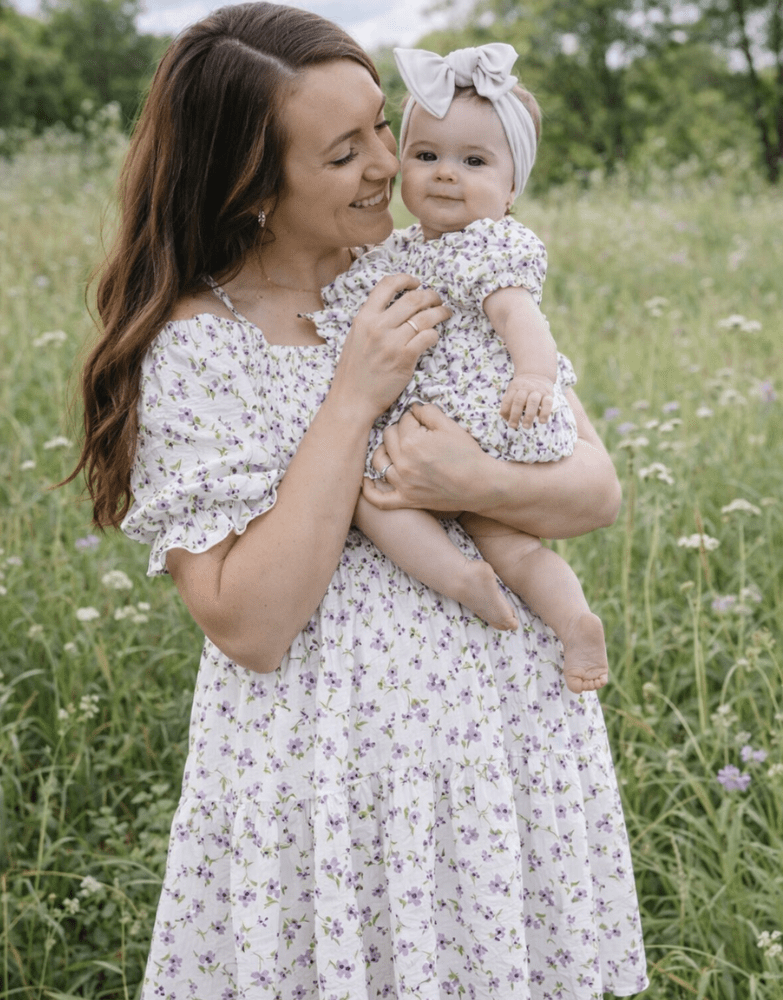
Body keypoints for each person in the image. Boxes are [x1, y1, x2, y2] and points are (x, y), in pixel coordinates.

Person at [67, 3, 649, 997]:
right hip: (331, 786)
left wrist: (473, 484)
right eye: (344, 152)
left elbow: (593, 490)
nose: (390, 162)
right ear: (250, 185)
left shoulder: (425, 274)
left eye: (383, 123)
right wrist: (353, 395)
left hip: (500, 749)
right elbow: (249, 625)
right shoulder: (201, 347)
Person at [310, 44, 608, 694]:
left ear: (510, 189)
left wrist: (534, 375)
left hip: (489, 411)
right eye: (426, 156)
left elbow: (519, 317)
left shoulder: (489, 246)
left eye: (474, 162)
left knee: (386, 494)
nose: (446, 174)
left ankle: (575, 621)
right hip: (435, 418)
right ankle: (466, 578)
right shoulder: (396, 249)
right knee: (386, 498)